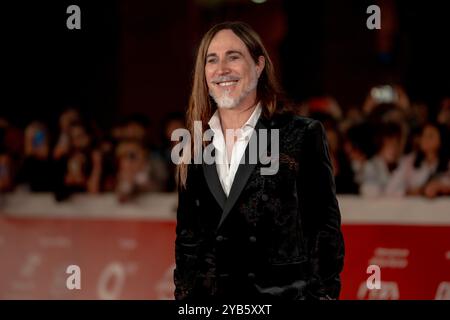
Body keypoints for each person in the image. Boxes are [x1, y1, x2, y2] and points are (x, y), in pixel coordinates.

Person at [173, 21, 344, 300]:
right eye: (211, 60)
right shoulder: (195, 143)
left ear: (259, 65)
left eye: (234, 56)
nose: (222, 68)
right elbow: (188, 242)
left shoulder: (300, 135)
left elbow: (323, 234)